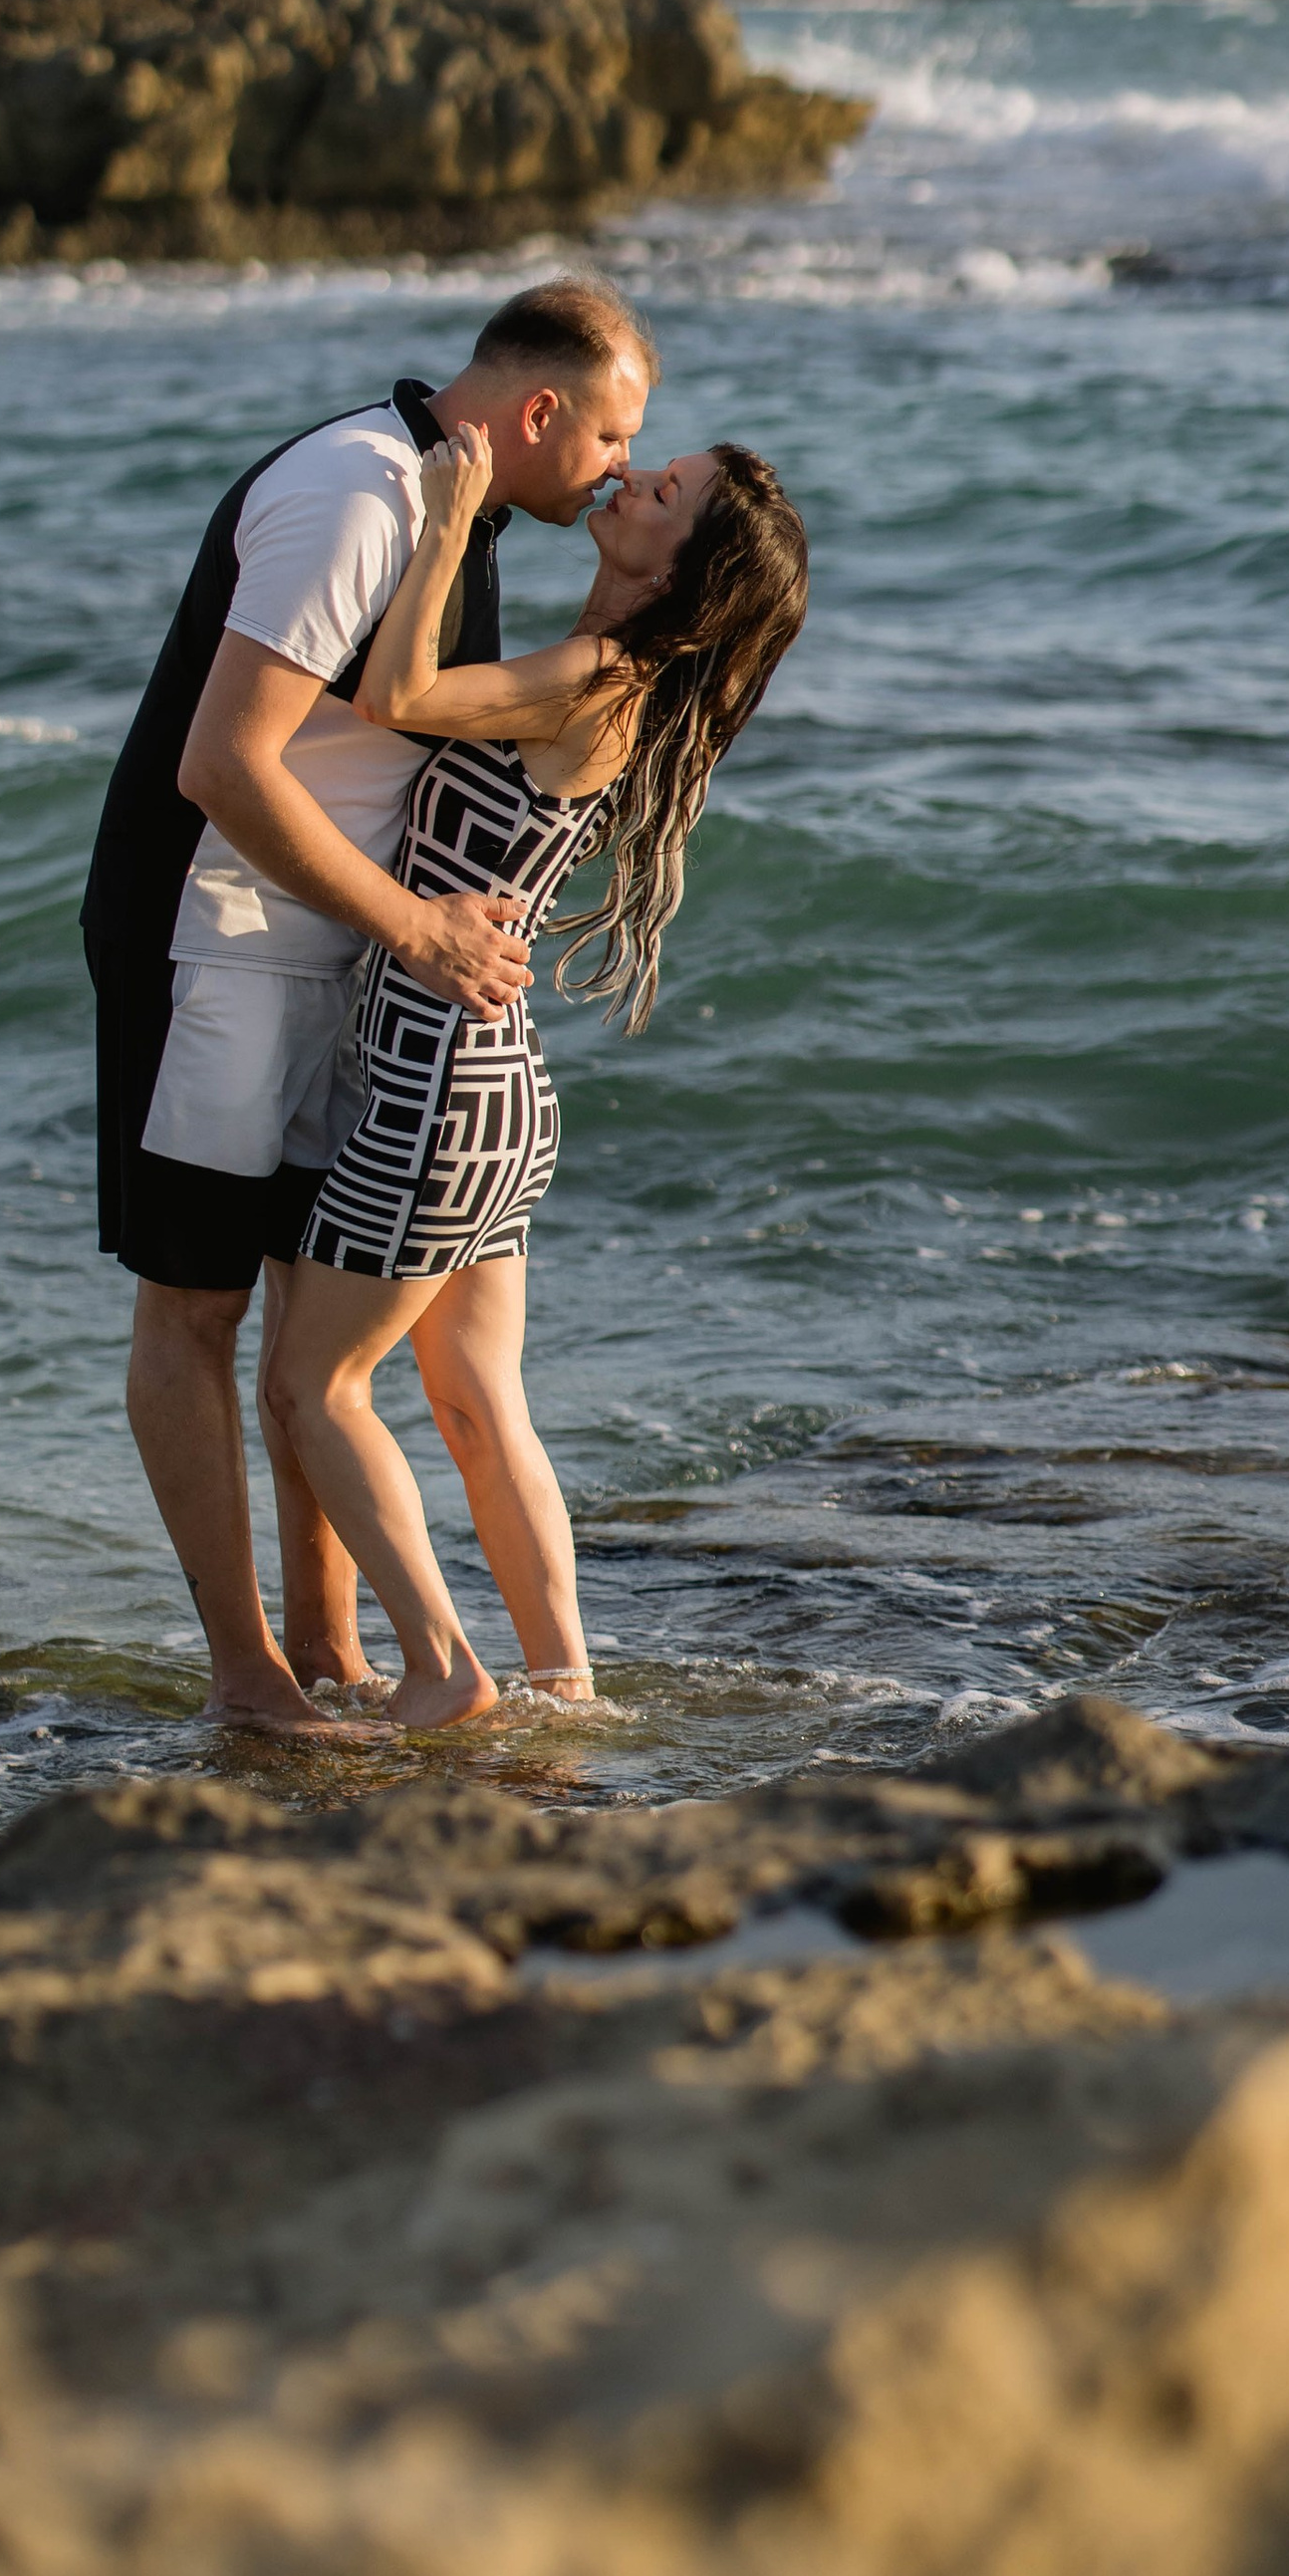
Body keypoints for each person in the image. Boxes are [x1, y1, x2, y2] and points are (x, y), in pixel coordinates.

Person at [81, 278, 657, 1737]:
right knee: (194, 1307)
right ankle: (248, 1678)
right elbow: (225, 762)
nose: (615, 471)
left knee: (297, 1314)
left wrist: (397, 939)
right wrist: (413, 925)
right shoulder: (359, 491)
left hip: (332, 954)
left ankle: (332, 1646)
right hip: (209, 944)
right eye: (611, 438)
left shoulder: (454, 509)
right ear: (540, 411)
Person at [266, 414, 809, 1729]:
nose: (636, 473)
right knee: (472, 1398)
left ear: (684, 566)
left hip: (436, 1081)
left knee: (312, 1386)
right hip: (494, 1088)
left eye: (666, 487)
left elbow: (395, 701)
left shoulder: (592, 678)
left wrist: (450, 516)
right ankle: (566, 1689)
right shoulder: (610, 682)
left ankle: (445, 1673)